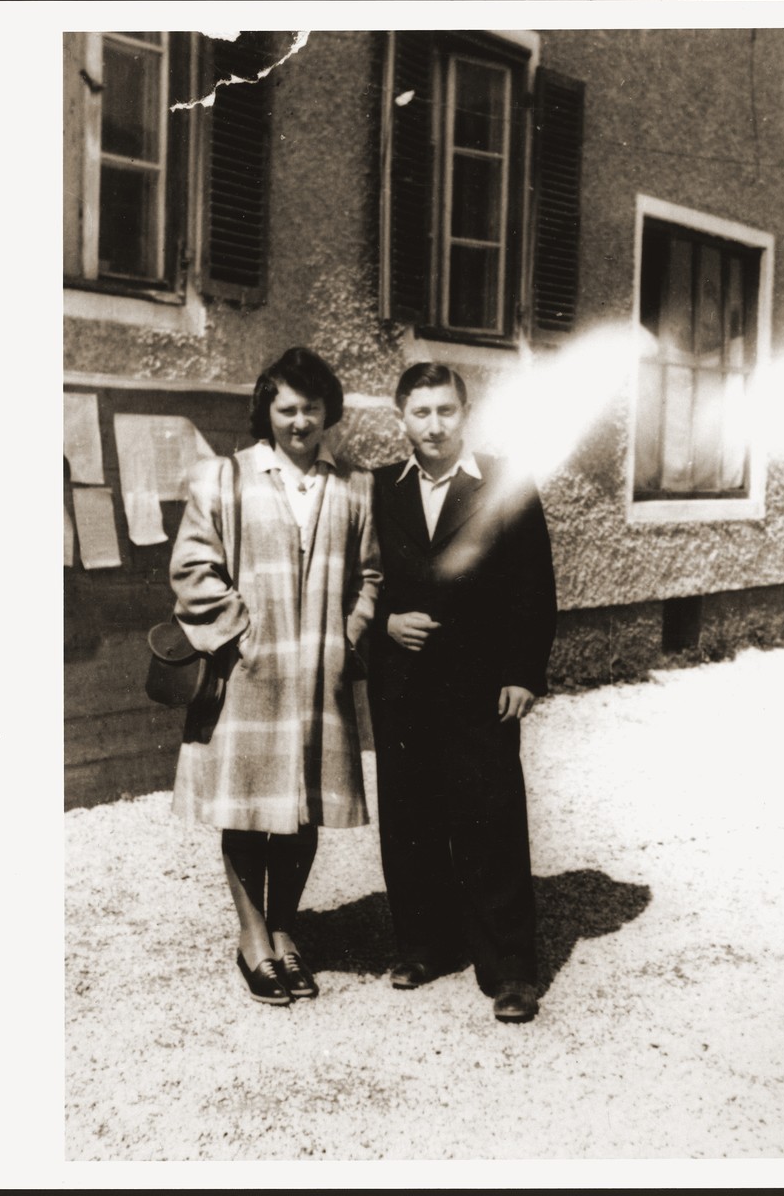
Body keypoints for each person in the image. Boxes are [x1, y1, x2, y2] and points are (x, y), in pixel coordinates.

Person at [169, 347, 380, 1006]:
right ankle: (252, 937)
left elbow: (370, 577)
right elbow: (192, 570)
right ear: (266, 411)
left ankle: (285, 928)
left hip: (321, 674)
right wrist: (242, 637)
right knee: (246, 808)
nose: (298, 421)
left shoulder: (353, 486)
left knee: (304, 807)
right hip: (249, 674)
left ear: (328, 413)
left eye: (310, 408)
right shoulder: (223, 478)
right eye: (285, 408)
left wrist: (347, 637)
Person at [368, 363, 557, 1023]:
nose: (433, 425)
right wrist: (385, 623)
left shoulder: (505, 483)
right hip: (402, 687)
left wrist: (521, 672)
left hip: (479, 687)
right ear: (402, 420)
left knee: (489, 818)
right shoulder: (379, 489)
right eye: (419, 413)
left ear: (464, 414)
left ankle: (509, 968)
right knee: (411, 819)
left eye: (445, 411)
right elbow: (359, 579)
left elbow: (533, 586)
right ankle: (425, 944)